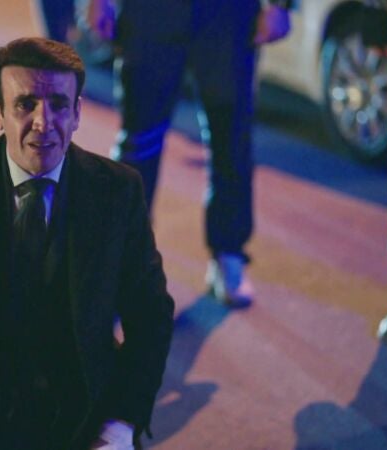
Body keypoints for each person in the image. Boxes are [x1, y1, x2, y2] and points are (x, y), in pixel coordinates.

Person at [0, 37, 175, 450]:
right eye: (25, 104)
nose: (44, 123)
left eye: (59, 105)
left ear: (77, 113)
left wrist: (119, 425)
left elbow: (151, 315)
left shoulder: (118, 191)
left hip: (82, 423)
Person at [82, 0, 292, 307]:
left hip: (227, 14)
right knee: (139, 142)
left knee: (231, 137)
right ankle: (124, 263)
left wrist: (281, 6)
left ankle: (228, 253)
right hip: (150, 12)